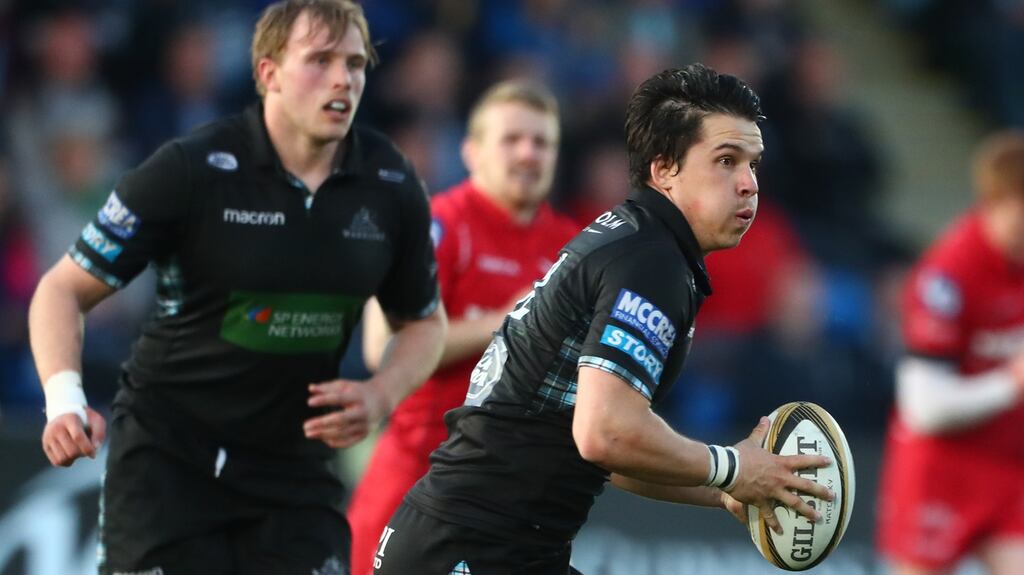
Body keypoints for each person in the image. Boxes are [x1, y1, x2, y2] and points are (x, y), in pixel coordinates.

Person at [28, 1, 447, 573]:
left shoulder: (391, 182)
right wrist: (64, 401)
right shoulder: (191, 168)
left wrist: (383, 393)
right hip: (169, 466)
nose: (342, 78)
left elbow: (424, 321)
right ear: (268, 72)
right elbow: (60, 290)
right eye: (319, 60)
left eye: (355, 63)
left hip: (295, 475)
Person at [372, 63, 834, 575]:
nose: (748, 184)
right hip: (471, 547)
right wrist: (733, 466)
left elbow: (604, 450)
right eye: (725, 160)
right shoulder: (651, 261)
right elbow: (604, 434)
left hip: (482, 543)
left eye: (753, 164)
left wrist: (728, 490)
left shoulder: (639, 242)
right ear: (664, 169)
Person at [347, 80, 579, 575]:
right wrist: (508, 321)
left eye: (542, 142)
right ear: (471, 152)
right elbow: (381, 349)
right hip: (415, 484)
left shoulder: (572, 247)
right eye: (511, 138)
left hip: (511, 503)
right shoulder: (437, 227)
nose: (528, 153)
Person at [877, 131, 1024, 575]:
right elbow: (924, 407)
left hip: (1009, 467)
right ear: (998, 202)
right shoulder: (947, 275)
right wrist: (1012, 383)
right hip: (938, 471)